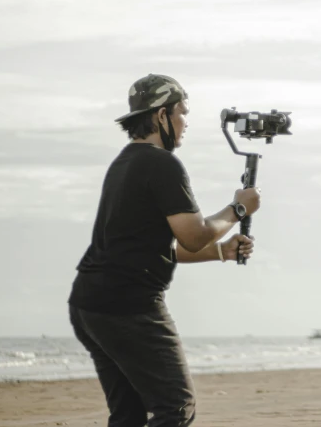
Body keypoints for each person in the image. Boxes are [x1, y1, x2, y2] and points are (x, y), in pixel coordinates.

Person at [67, 74, 261, 427]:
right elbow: (193, 235)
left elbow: (159, 246)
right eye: (182, 113)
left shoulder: (125, 161)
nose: (185, 123)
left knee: (128, 414)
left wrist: (221, 251)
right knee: (175, 407)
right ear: (161, 115)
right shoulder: (162, 163)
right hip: (130, 306)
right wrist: (239, 209)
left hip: (90, 304)